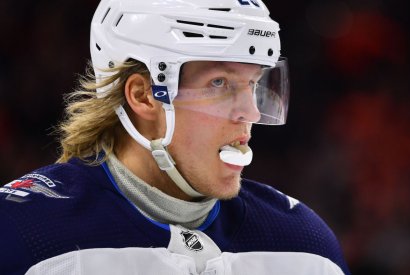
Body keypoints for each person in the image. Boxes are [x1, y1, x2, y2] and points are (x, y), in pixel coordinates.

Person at [0, 0, 350, 274]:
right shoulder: (24, 233)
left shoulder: (305, 247)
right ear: (143, 95)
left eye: (254, 84)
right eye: (220, 83)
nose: (251, 112)